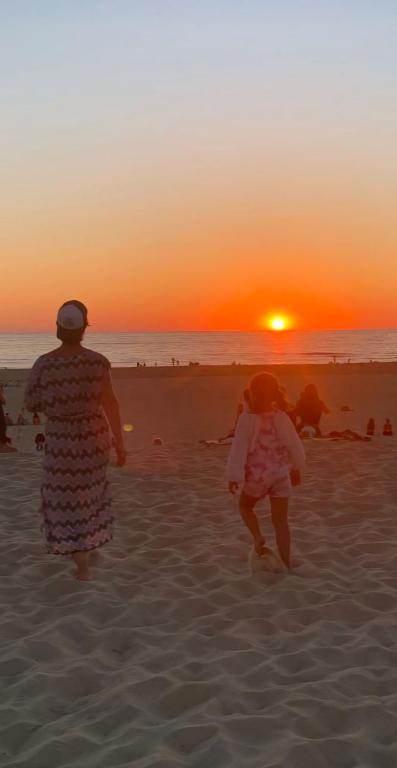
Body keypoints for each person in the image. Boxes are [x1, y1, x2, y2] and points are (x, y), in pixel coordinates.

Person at [25, 300, 127, 581]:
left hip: (60, 439)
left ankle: (80, 559)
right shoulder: (97, 362)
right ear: (84, 329)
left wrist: (57, 402)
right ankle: (89, 546)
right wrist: (120, 442)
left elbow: (31, 402)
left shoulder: (44, 364)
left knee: (62, 497)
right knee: (90, 492)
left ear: (58, 328)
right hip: (94, 438)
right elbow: (111, 404)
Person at [227, 373, 305, 570]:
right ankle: (286, 563)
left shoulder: (246, 418)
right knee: (281, 522)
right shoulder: (281, 416)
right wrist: (296, 467)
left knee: (245, 507)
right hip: (280, 473)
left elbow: (239, 448)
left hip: (258, 474)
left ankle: (258, 536)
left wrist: (234, 476)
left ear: (252, 393)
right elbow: (294, 445)